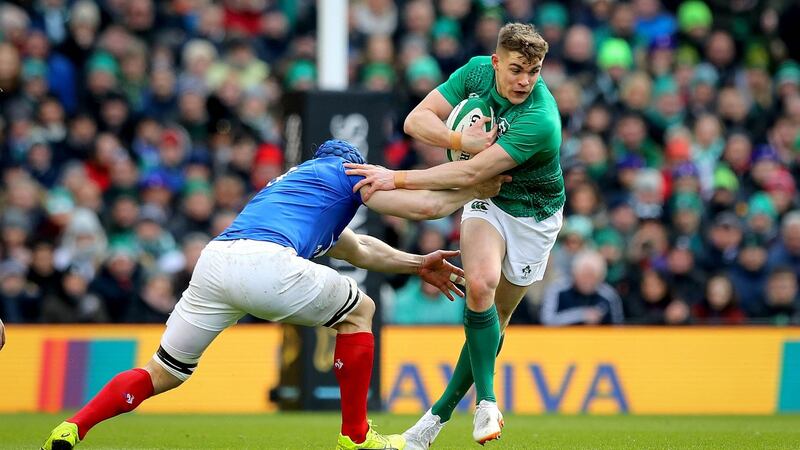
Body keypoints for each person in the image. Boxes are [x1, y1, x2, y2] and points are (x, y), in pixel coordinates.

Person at [41, 139, 507, 450]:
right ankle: (357, 437)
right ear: (349, 161)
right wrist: (474, 183)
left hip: (215, 262)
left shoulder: (290, 187)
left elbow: (360, 247)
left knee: (163, 372)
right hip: (264, 264)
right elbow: (423, 207)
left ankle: (71, 428)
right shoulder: (345, 173)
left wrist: (416, 264)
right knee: (360, 310)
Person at [345, 23, 563, 447]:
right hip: (488, 200)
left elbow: (468, 170)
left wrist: (396, 177)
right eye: (517, 69)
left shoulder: (540, 118)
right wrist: (459, 137)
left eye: (534, 71)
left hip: (533, 214)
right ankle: (487, 402)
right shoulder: (477, 72)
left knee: (497, 317)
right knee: (479, 285)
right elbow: (416, 120)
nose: (524, 80)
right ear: (496, 62)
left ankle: (431, 422)